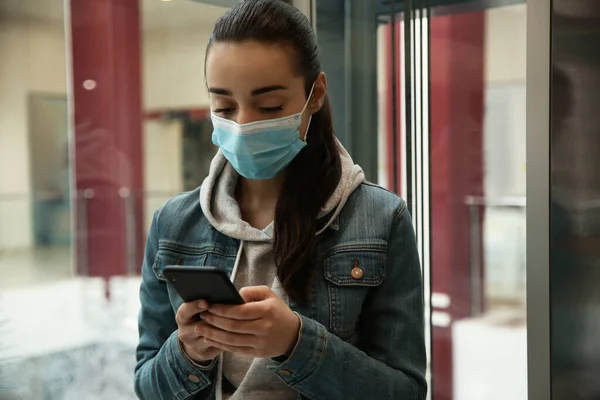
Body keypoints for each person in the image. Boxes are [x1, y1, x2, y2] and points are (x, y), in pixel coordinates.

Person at [134, 1, 426, 399]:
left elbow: (405, 391)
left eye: (269, 106)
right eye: (224, 106)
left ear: (315, 94)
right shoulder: (173, 224)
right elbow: (147, 386)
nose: (243, 125)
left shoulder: (379, 219)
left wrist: (296, 344)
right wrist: (187, 353)